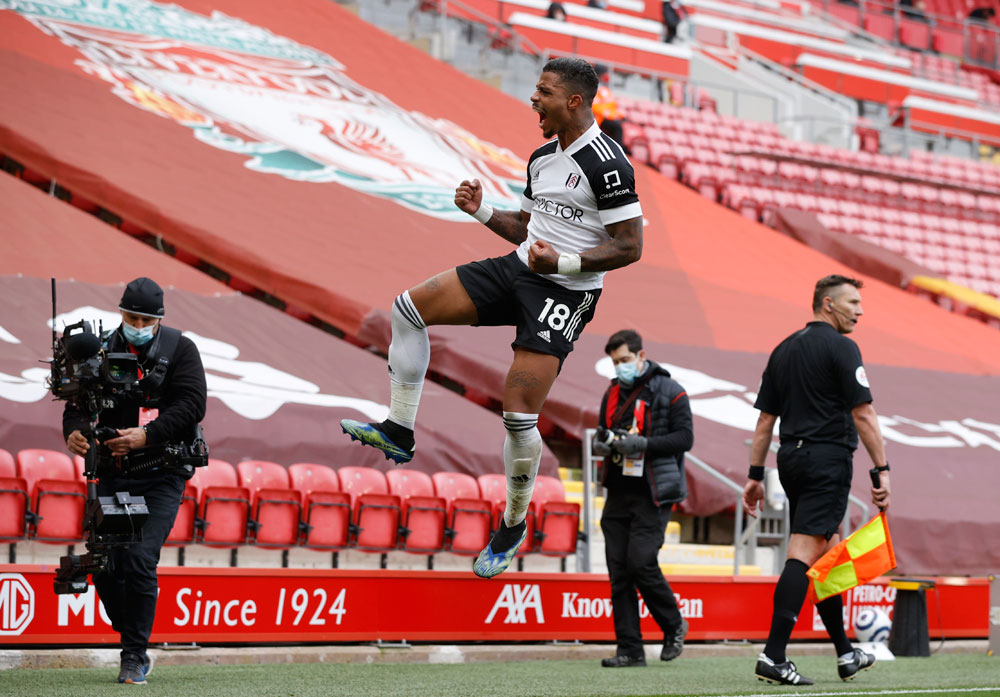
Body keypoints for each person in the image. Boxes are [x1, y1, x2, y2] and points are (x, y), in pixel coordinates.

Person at [342, 57, 643, 579]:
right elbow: (525, 227)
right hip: (519, 270)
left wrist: (565, 263)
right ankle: (399, 429)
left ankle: (513, 522)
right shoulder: (543, 158)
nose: (534, 100)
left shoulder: (608, 163)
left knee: (517, 412)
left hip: (565, 294)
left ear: (573, 101)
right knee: (408, 306)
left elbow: (631, 246)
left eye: (544, 91)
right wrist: (482, 212)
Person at [741, 274, 891, 686]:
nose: (860, 311)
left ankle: (845, 654)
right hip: (827, 459)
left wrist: (755, 476)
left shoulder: (783, 350)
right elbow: (863, 414)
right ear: (828, 304)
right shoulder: (843, 348)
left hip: (790, 459)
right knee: (805, 554)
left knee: (826, 558)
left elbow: (764, 422)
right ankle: (773, 655)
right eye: (853, 302)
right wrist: (882, 470)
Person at [64, 277, 207, 685]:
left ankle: (133, 655)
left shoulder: (182, 349)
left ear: (159, 320)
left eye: (146, 319)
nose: (138, 324)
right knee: (107, 564)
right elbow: (76, 401)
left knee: (139, 557)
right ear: (120, 312)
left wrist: (149, 434)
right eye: (131, 316)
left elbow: (193, 404)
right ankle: (131, 634)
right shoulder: (102, 347)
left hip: (163, 473)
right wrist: (73, 430)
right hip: (113, 473)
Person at [592, 330, 692, 668]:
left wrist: (644, 444)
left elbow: (685, 438)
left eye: (624, 360)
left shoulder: (671, 390)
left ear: (640, 355)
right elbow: (600, 431)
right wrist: (602, 444)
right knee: (619, 572)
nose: (620, 367)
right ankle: (630, 649)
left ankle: (674, 624)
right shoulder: (611, 392)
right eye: (615, 361)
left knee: (641, 562)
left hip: (653, 492)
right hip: (618, 491)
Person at [592, 65, 627, 153]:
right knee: (617, 127)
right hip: (599, 119)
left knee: (621, 123)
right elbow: (595, 107)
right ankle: (619, 150)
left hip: (609, 117)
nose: (607, 76)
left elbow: (612, 106)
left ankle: (618, 148)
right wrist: (610, 116)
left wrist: (619, 115)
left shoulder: (606, 89)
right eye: (605, 73)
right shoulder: (593, 88)